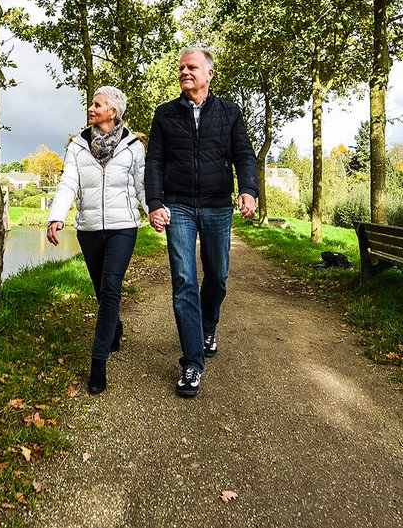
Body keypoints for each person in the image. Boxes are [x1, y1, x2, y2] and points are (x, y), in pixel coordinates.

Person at [145, 47, 258, 398]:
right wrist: (154, 202)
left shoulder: (230, 112)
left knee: (218, 276)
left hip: (217, 206)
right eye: (181, 68)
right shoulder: (165, 114)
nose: (185, 73)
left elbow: (244, 155)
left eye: (192, 67)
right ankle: (193, 362)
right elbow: (155, 162)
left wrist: (249, 190)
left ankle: (209, 325)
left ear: (209, 74)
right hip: (177, 206)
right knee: (183, 280)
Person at [47, 86, 148, 395]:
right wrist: (57, 215)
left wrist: (154, 211)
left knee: (111, 287)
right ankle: (114, 328)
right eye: (91, 104)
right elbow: (68, 183)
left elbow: (142, 185)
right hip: (89, 228)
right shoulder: (77, 146)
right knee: (102, 291)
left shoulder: (133, 147)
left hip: (123, 227)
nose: (90, 108)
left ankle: (98, 361)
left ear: (112, 112)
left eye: (97, 104)